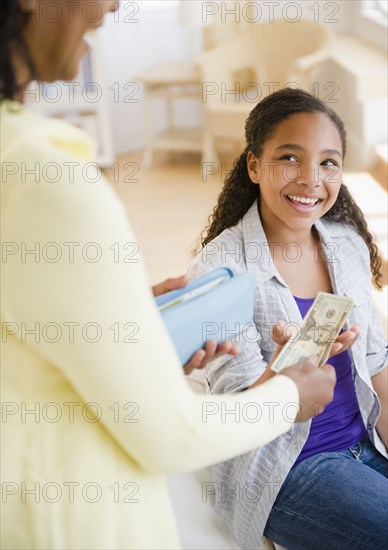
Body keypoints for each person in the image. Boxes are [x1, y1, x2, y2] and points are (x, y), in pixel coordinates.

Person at [0, 4, 340, 550]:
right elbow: (169, 435)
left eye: (329, 163)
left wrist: (126, 317)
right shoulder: (44, 186)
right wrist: (287, 396)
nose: (112, 5)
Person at [189, 87, 388, 549]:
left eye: (328, 162)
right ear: (255, 166)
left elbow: (377, 364)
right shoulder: (221, 271)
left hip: (367, 444)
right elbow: (237, 418)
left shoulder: (346, 243)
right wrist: (282, 375)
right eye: (290, 158)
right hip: (290, 471)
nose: (310, 179)